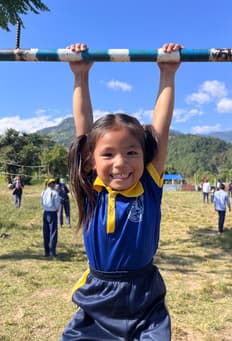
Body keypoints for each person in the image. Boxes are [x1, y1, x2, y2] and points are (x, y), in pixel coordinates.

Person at [60, 41, 182, 341]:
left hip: (144, 299)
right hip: (97, 299)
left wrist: (167, 75)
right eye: (108, 154)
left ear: (145, 156)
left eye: (131, 153)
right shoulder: (92, 191)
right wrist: (80, 76)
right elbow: (83, 128)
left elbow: (160, 130)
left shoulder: (149, 186)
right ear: (91, 158)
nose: (121, 164)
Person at [41, 178, 60, 257]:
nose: (55, 185)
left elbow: (41, 203)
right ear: (52, 184)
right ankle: (52, 251)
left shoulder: (43, 192)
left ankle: (46, 251)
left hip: (45, 212)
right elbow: (57, 205)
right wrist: (57, 209)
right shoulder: (55, 193)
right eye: (54, 183)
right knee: (53, 232)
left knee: (46, 232)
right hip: (52, 213)